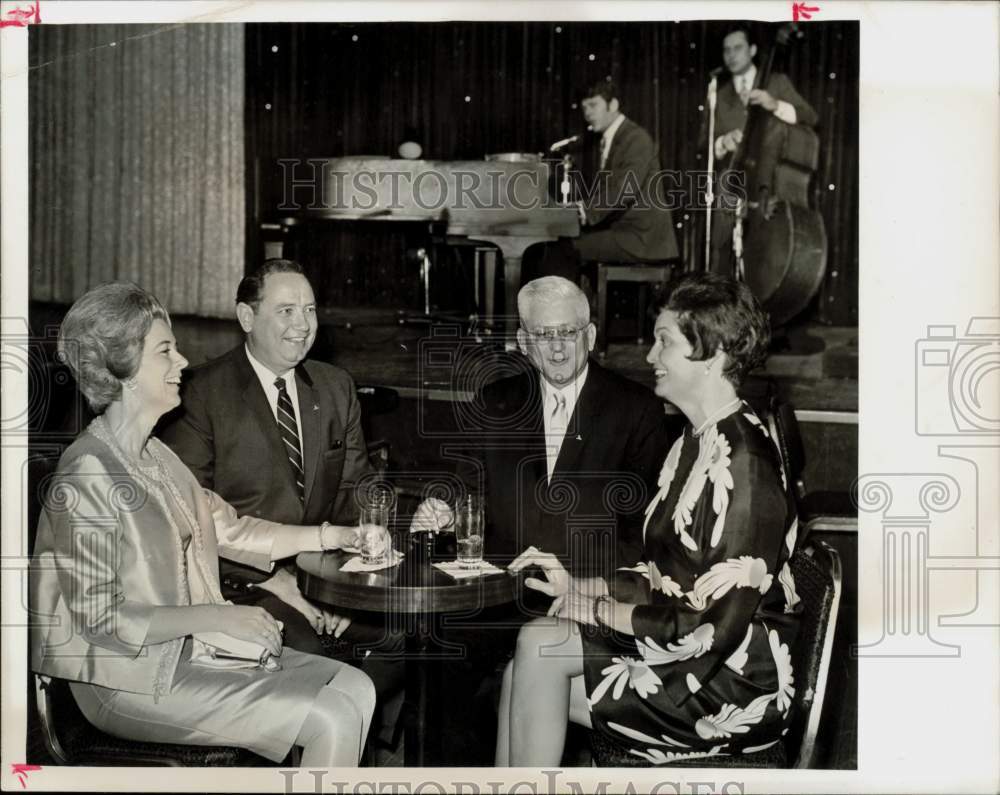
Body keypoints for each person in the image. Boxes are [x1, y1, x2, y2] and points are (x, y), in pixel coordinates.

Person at [30, 282, 376, 766]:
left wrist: (334, 535)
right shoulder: (88, 469)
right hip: (119, 678)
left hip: (183, 653)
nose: (183, 362)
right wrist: (220, 616)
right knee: (332, 717)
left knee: (354, 685)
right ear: (124, 368)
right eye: (166, 351)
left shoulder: (157, 455)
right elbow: (102, 621)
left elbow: (233, 529)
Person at [495, 272, 802, 766]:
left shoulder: (745, 465)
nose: (649, 357)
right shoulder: (694, 440)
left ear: (714, 356)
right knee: (525, 662)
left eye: (664, 343)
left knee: (537, 649)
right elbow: (667, 575)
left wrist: (593, 610)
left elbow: (708, 630)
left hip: (727, 685)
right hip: (685, 651)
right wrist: (583, 586)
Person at [159, 259, 402, 696]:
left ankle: (355, 749)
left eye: (309, 310)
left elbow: (355, 489)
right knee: (311, 655)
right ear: (246, 317)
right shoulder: (200, 393)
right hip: (242, 583)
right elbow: (191, 522)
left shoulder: (335, 386)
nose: (302, 325)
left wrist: (343, 588)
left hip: (323, 571)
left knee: (407, 636)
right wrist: (276, 582)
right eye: (286, 311)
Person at [413, 275, 670, 578]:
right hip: (500, 592)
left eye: (567, 333)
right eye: (544, 335)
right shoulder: (493, 402)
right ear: (523, 343)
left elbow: (643, 532)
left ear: (590, 336)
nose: (557, 349)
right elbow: (471, 498)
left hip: (588, 595)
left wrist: (578, 587)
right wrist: (448, 517)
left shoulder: (637, 409)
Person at [527, 82, 678, 285]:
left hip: (642, 238)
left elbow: (625, 189)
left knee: (563, 247)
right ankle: (580, 309)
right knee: (563, 243)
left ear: (613, 104)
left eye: (593, 105)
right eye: (584, 108)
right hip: (627, 231)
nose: (587, 113)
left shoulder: (635, 138)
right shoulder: (615, 137)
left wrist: (584, 211)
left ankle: (564, 313)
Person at [703, 25, 819, 274]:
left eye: (738, 48)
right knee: (719, 246)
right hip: (733, 182)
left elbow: (810, 117)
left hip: (768, 186)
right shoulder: (718, 95)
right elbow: (705, 143)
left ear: (753, 50)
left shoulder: (776, 82)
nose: (731, 55)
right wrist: (723, 142)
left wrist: (774, 103)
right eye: (726, 50)